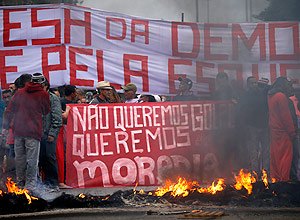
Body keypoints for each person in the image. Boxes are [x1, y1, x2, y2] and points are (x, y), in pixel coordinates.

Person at [4, 72, 50, 193]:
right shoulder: (43, 94)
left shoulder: (19, 92)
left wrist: (6, 125)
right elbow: (46, 111)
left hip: (18, 130)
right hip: (33, 131)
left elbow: (9, 110)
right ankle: (30, 185)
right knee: (32, 160)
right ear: (41, 83)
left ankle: (19, 183)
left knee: (20, 159)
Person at [238, 76, 270, 174]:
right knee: (253, 151)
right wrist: (245, 126)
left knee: (266, 151)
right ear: (248, 85)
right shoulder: (245, 96)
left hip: (264, 126)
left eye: (256, 83)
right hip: (252, 127)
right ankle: (255, 173)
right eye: (252, 83)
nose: (254, 85)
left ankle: (266, 172)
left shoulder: (263, 94)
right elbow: (242, 111)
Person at [268, 77, 296, 181]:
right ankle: (284, 180)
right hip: (283, 132)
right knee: (286, 157)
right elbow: (286, 117)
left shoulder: (271, 96)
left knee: (276, 156)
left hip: (274, 131)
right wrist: (292, 132)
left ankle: (276, 179)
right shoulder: (281, 96)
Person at [39, 79, 63, 190]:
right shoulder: (35, 97)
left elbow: (57, 118)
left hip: (48, 133)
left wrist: (52, 133)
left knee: (49, 157)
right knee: (39, 158)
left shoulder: (53, 98)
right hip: (37, 134)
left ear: (46, 86)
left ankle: (53, 183)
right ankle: (42, 183)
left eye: (41, 86)